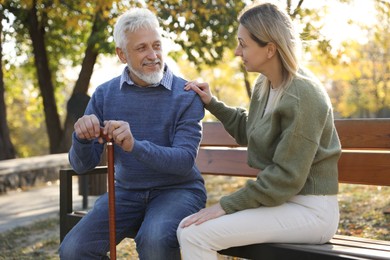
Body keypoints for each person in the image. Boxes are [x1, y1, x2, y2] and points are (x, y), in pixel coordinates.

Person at [177, 2, 342, 259]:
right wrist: (212, 103)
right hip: (281, 203)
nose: (236, 51)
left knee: (194, 233)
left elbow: (286, 177)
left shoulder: (303, 94)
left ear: (270, 49)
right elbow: (250, 130)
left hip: (312, 211)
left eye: (243, 44)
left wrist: (225, 205)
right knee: (189, 228)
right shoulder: (265, 85)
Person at [59, 8, 206, 260]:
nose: (153, 55)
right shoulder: (105, 95)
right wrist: (81, 138)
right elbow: (82, 165)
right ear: (122, 54)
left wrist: (135, 145)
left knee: (153, 241)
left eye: (157, 45)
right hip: (126, 193)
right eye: (141, 48)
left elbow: (183, 162)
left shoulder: (186, 95)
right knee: (73, 250)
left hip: (178, 191)